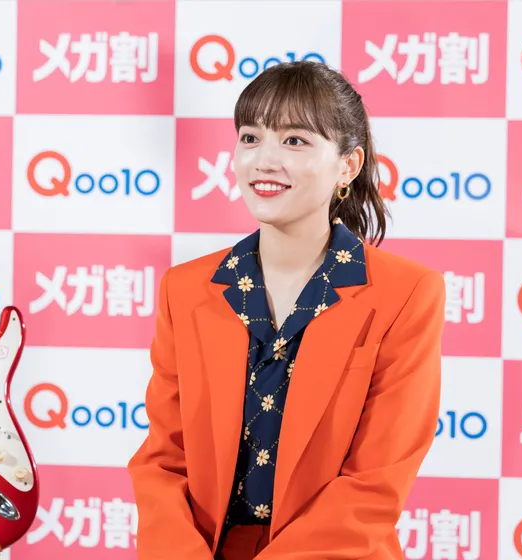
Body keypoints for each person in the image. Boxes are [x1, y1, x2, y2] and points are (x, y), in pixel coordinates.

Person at [128, 60, 445, 560]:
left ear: (348, 165)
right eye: (250, 138)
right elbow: (163, 462)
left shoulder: (406, 293)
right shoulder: (184, 290)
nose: (263, 160)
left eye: (294, 141)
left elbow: (375, 483)